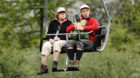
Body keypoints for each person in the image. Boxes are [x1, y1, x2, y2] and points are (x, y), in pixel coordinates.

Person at [37, 7, 72, 75]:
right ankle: (44, 67)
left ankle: (55, 64)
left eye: (64, 12)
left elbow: (70, 35)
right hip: (52, 40)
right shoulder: (53, 22)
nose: (63, 14)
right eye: (61, 13)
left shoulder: (69, 23)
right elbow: (48, 33)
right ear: (57, 15)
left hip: (63, 40)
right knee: (45, 45)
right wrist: (50, 39)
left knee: (57, 44)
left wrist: (60, 38)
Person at [66, 4, 99, 69]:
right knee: (69, 43)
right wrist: (74, 26)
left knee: (79, 42)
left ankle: (76, 63)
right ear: (81, 13)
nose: (85, 12)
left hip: (89, 41)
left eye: (86, 11)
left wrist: (83, 28)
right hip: (77, 39)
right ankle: (71, 62)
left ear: (89, 11)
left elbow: (96, 26)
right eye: (83, 11)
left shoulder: (92, 20)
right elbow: (67, 30)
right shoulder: (78, 20)